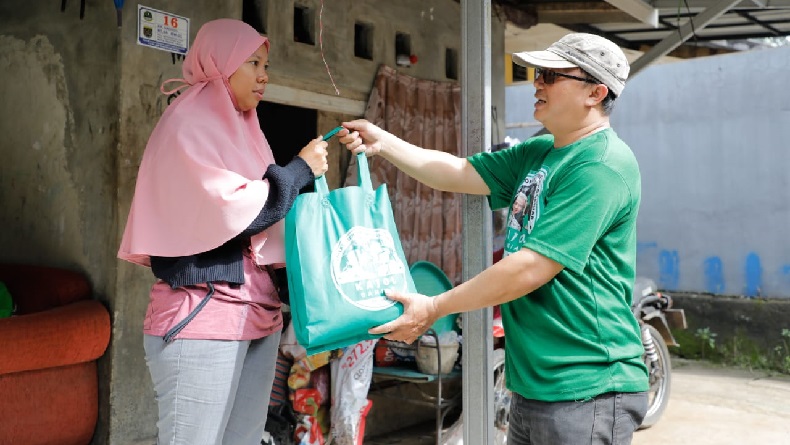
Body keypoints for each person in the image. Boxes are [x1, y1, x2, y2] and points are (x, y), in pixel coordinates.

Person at [339, 32, 648, 445]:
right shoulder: (541, 152)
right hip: (537, 383)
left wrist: (434, 307)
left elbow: (531, 268)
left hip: (586, 382)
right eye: (536, 73)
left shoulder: (601, 165)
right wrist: (385, 143)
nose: (536, 83)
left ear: (596, 92)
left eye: (551, 76)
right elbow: (460, 172)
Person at [117, 19, 328, 445]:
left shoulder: (245, 129)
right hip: (203, 315)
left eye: (265, 64)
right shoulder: (188, 122)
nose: (264, 75)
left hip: (258, 315)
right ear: (220, 63)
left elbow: (266, 215)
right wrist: (300, 169)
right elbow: (235, 210)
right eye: (253, 62)